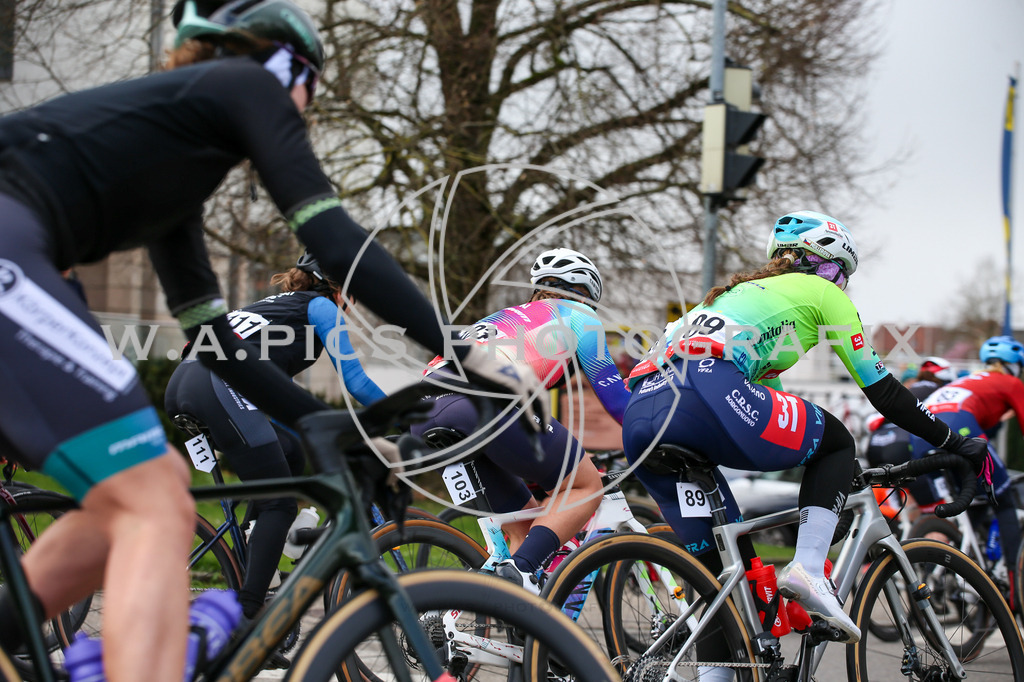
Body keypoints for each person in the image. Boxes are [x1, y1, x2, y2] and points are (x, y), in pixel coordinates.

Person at [0, 1, 543, 680]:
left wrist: (317, 421)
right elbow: (337, 241)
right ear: (287, 67)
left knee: (152, 489)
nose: (303, 115)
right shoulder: (247, 81)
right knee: (154, 500)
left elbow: (213, 340)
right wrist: (469, 357)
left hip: (32, 259)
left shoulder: (171, 176)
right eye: (312, 89)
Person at [621, 210, 989, 648]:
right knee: (837, 442)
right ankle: (809, 569)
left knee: (729, 590)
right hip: (705, 390)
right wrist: (953, 441)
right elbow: (883, 391)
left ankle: (716, 672)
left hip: (641, 414)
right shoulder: (820, 292)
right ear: (819, 263)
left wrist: (831, 485)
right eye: (838, 273)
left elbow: (778, 409)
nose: (838, 284)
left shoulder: (732, 297)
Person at [165, 251, 386, 651]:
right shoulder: (322, 307)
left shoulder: (275, 305)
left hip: (186, 382)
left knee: (292, 452)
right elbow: (356, 383)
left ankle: (256, 547)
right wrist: (409, 415)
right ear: (339, 287)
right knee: (279, 505)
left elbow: (277, 399)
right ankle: (250, 619)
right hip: (218, 385)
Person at [412, 248, 631, 592]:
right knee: (585, 486)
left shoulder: (501, 318)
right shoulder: (580, 315)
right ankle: (524, 572)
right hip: (482, 405)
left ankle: (512, 610)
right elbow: (618, 403)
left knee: (526, 531)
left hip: (423, 412)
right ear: (586, 296)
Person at [906, 336, 1024, 591]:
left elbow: (984, 426)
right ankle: (1015, 587)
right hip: (958, 429)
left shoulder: (967, 380)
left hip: (919, 437)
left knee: (972, 499)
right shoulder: (1011, 382)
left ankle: (943, 572)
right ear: (1015, 366)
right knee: (1004, 499)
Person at [865, 356, 956, 468]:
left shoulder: (910, 389)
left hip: (876, 442)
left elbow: (871, 421)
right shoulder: (941, 391)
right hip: (904, 443)